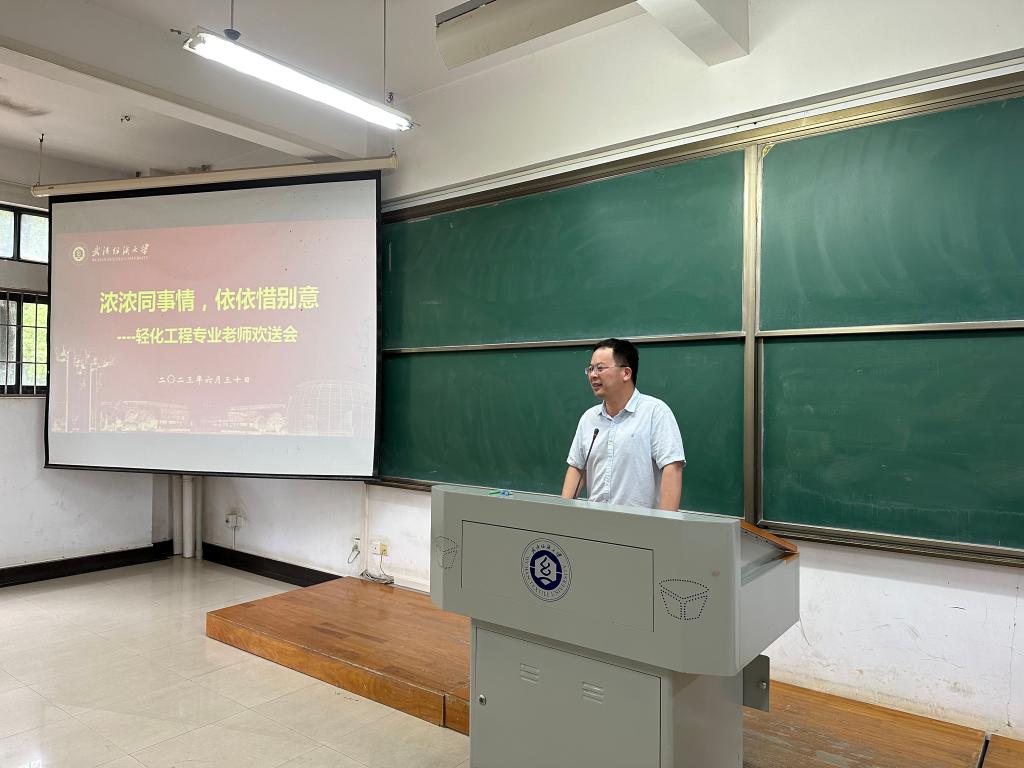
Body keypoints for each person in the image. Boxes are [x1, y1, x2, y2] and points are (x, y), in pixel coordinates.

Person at [561, 338, 685, 510]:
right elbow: (576, 467)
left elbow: (672, 468)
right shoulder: (589, 418)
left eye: (600, 368)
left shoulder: (655, 412)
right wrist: (561, 513)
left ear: (626, 373)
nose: (593, 375)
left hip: (639, 522)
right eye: (590, 369)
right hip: (594, 520)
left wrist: (666, 523)